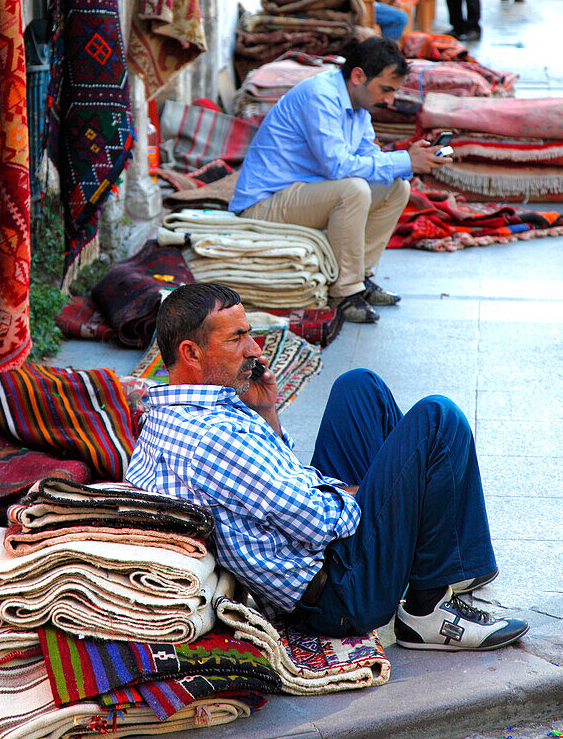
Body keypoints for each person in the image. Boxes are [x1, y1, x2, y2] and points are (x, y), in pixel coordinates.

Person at [126, 282, 529, 652]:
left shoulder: (169, 412)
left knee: (358, 387)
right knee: (437, 420)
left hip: (309, 556)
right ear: (191, 353)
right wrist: (357, 492)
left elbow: (270, 481)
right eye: (237, 338)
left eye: (249, 333)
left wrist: (267, 412)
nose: (255, 349)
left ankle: (447, 558)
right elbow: (318, 522)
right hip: (338, 594)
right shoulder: (212, 438)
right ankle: (428, 611)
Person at [228, 37, 451, 323]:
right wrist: (405, 160)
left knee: (397, 187)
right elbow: (338, 168)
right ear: (358, 76)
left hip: (302, 194)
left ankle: (362, 277)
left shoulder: (358, 107)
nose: (390, 100)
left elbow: (369, 155)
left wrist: (408, 160)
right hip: (264, 204)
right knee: (353, 189)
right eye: (386, 89)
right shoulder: (321, 96)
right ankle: (344, 293)